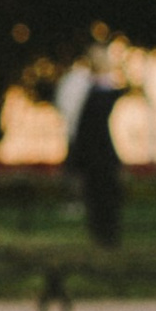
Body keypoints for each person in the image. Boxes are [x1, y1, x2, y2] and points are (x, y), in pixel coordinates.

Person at [65, 42, 128, 250]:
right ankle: (105, 239)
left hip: (100, 155)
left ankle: (106, 238)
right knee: (101, 199)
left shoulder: (99, 91)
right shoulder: (93, 91)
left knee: (103, 200)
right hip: (99, 155)